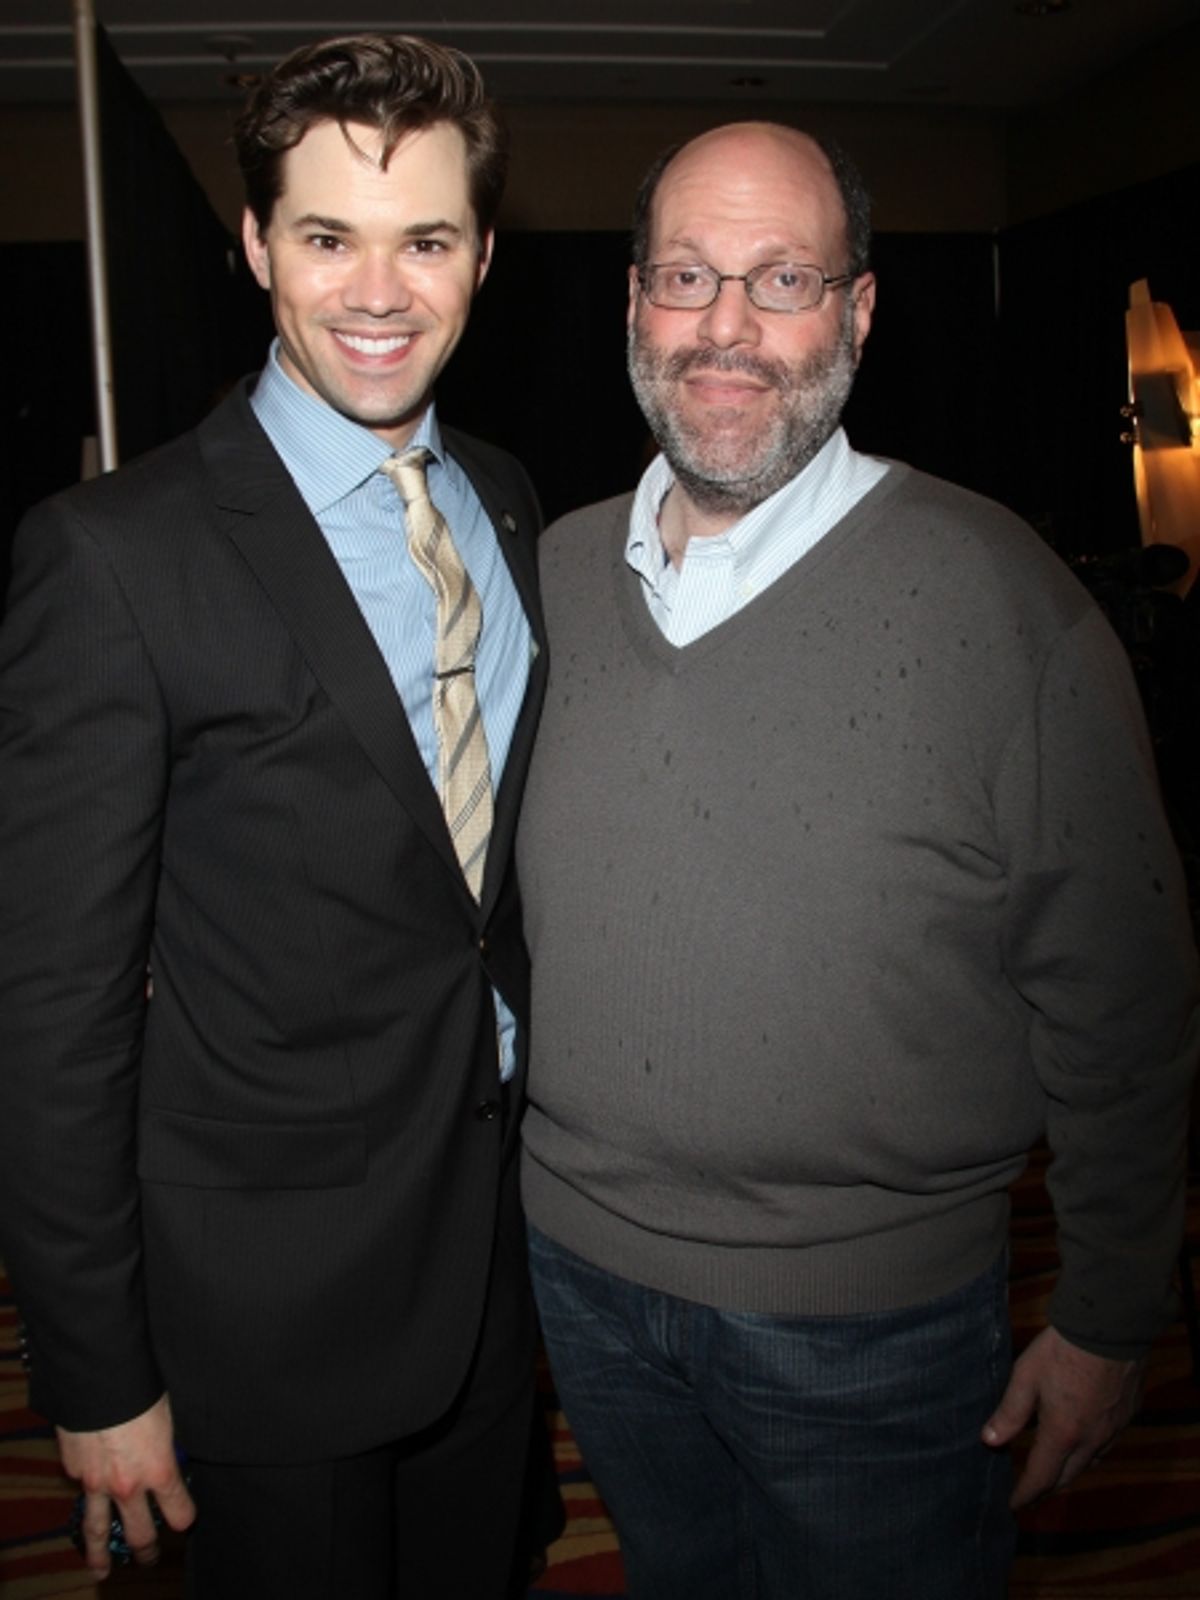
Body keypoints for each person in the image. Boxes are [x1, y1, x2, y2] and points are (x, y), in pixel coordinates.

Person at [516, 121, 1200, 1599]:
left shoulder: (1001, 600)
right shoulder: (548, 575)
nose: (727, 328)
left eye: (784, 279)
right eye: (689, 276)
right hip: (580, 1282)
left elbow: (1126, 999)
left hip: (873, 1332)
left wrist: (1107, 1315)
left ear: (863, 309)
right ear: (633, 301)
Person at [0, 33, 548, 1600]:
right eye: (326, 236)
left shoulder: (504, 497)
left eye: (425, 239)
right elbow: (52, 1013)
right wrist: (95, 1371)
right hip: (260, 1310)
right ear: (255, 245)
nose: (379, 290)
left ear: (482, 255)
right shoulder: (114, 554)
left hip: (487, 1265)